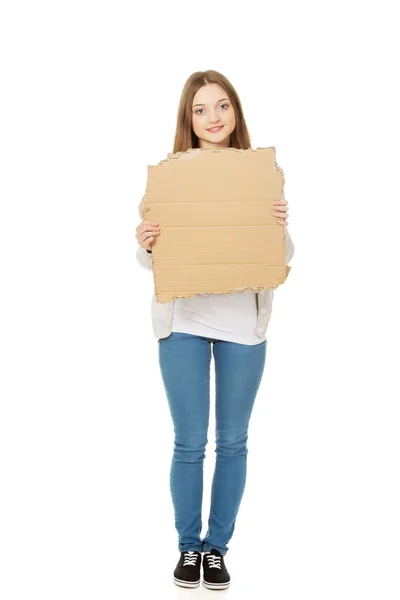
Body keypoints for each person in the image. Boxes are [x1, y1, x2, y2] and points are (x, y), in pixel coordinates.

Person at [135, 70, 295, 590]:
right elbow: (150, 260)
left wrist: (278, 227)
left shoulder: (259, 176)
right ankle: (187, 548)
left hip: (243, 326)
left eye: (221, 106)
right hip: (183, 320)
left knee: (232, 441)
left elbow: (282, 258)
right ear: (188, 119)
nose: (213, 118)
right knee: (189, 442)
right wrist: (146, 240)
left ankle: (217, 548)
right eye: (200, 110)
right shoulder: (173, 176)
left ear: (235, 112)